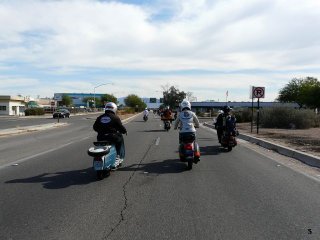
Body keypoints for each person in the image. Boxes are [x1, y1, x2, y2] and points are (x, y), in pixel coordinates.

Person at [93, 102, 127, 167]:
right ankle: (118, 157)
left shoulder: (100, 117)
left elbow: (95, 127)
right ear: (114, 109)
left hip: (101, 137)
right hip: (113, 137)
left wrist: (100, 131)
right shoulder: (115, 117)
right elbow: (121, 128)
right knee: (120, 139)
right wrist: (124, 131)